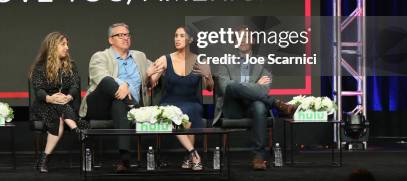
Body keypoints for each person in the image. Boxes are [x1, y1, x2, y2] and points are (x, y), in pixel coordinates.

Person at [211, 26, 297, 171]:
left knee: (259, 106)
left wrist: (245, 87)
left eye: (246, 37)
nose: (243, 41)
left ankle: (259, 157)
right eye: (239, 38)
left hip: (253, 107)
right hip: (233, 109)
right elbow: (225, 88)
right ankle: (276, 103)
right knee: (231, 86)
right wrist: (253, 85)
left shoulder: (263, 63)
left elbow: (264, 89)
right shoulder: (225, 61)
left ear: (253, 40)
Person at [79, 23, 152, 172]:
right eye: (120, 35)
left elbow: (158, 66)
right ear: (110, 40)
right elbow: (100, 77)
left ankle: (124, 159)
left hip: (120, 107)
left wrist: (156, 72)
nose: (125, 38)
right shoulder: (100, 56)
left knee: (119, 104)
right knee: (107, 82)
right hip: (99, 105)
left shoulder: (139, 56)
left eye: (127, 34)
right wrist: (122, 85)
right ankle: (131, 105)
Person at [146, 26, 214, 171]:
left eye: (182, 36)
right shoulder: (165, 59)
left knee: (192, 110)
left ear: (190, 39)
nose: (177, 39)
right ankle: (194, 154)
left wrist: (208, 76)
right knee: (174, 113)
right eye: (176, 35)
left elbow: (210, 88)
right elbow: (150, 84)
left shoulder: (200, 59)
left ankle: (189, 157)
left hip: (191, 101)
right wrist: (150, 75)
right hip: (169, 102)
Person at [30, 32, 87, 173]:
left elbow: (75, 86)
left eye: (67, 44)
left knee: (59, 113)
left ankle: (43, 160)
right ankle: (76, 129)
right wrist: (50, 98)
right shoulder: (40, 67)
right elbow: (39, 91)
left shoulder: (71, 65)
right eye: (63, 44)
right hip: (44, 104)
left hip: (65, 103)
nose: (67, 47)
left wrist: (68, 97)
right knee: (57, 110)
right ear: (52, 46)